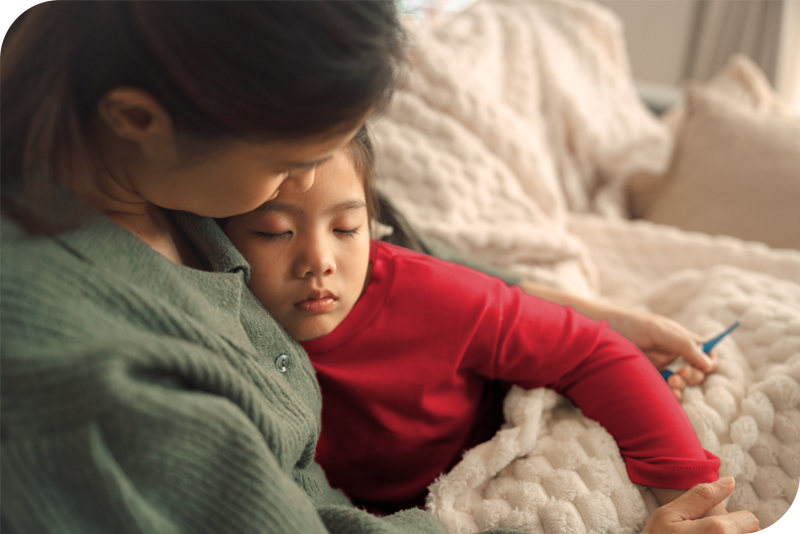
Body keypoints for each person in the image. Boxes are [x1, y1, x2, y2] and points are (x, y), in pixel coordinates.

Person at [0, 3, 764, 534]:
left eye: (347, 223)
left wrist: (579, 309)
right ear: (136, 118)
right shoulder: (87, 383)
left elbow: (416, 260)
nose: (315, 246)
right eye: (284, 173)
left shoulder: (160, 166)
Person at [223, 127, 722, 516]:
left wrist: (690, 496)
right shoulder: (221, 334)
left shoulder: (429, 294)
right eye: (275, 232)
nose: (319, 261)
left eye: (346, 229)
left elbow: (595, 351)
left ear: (371, 225)